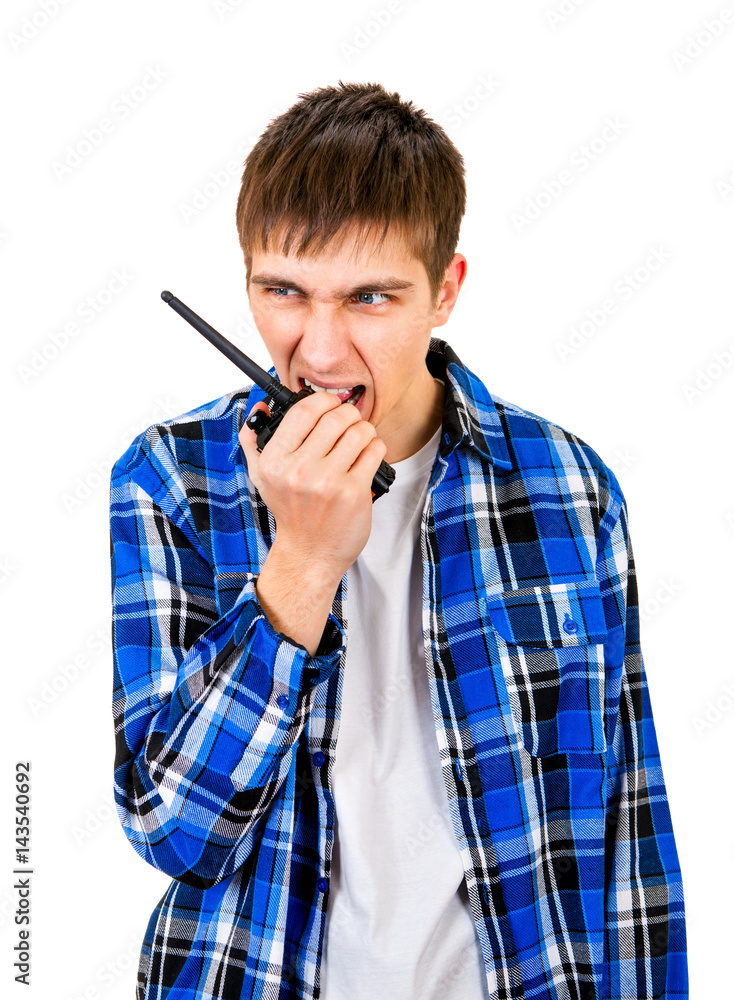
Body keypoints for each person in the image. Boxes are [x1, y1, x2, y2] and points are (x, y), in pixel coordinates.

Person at [110, 82, 687, 1000]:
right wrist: (300, 565)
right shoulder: (172, 481)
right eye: (284, 292)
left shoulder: (571, 490)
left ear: (445, 291)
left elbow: (628, 837)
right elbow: (172, 830)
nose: (323, 350)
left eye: (371, 297)